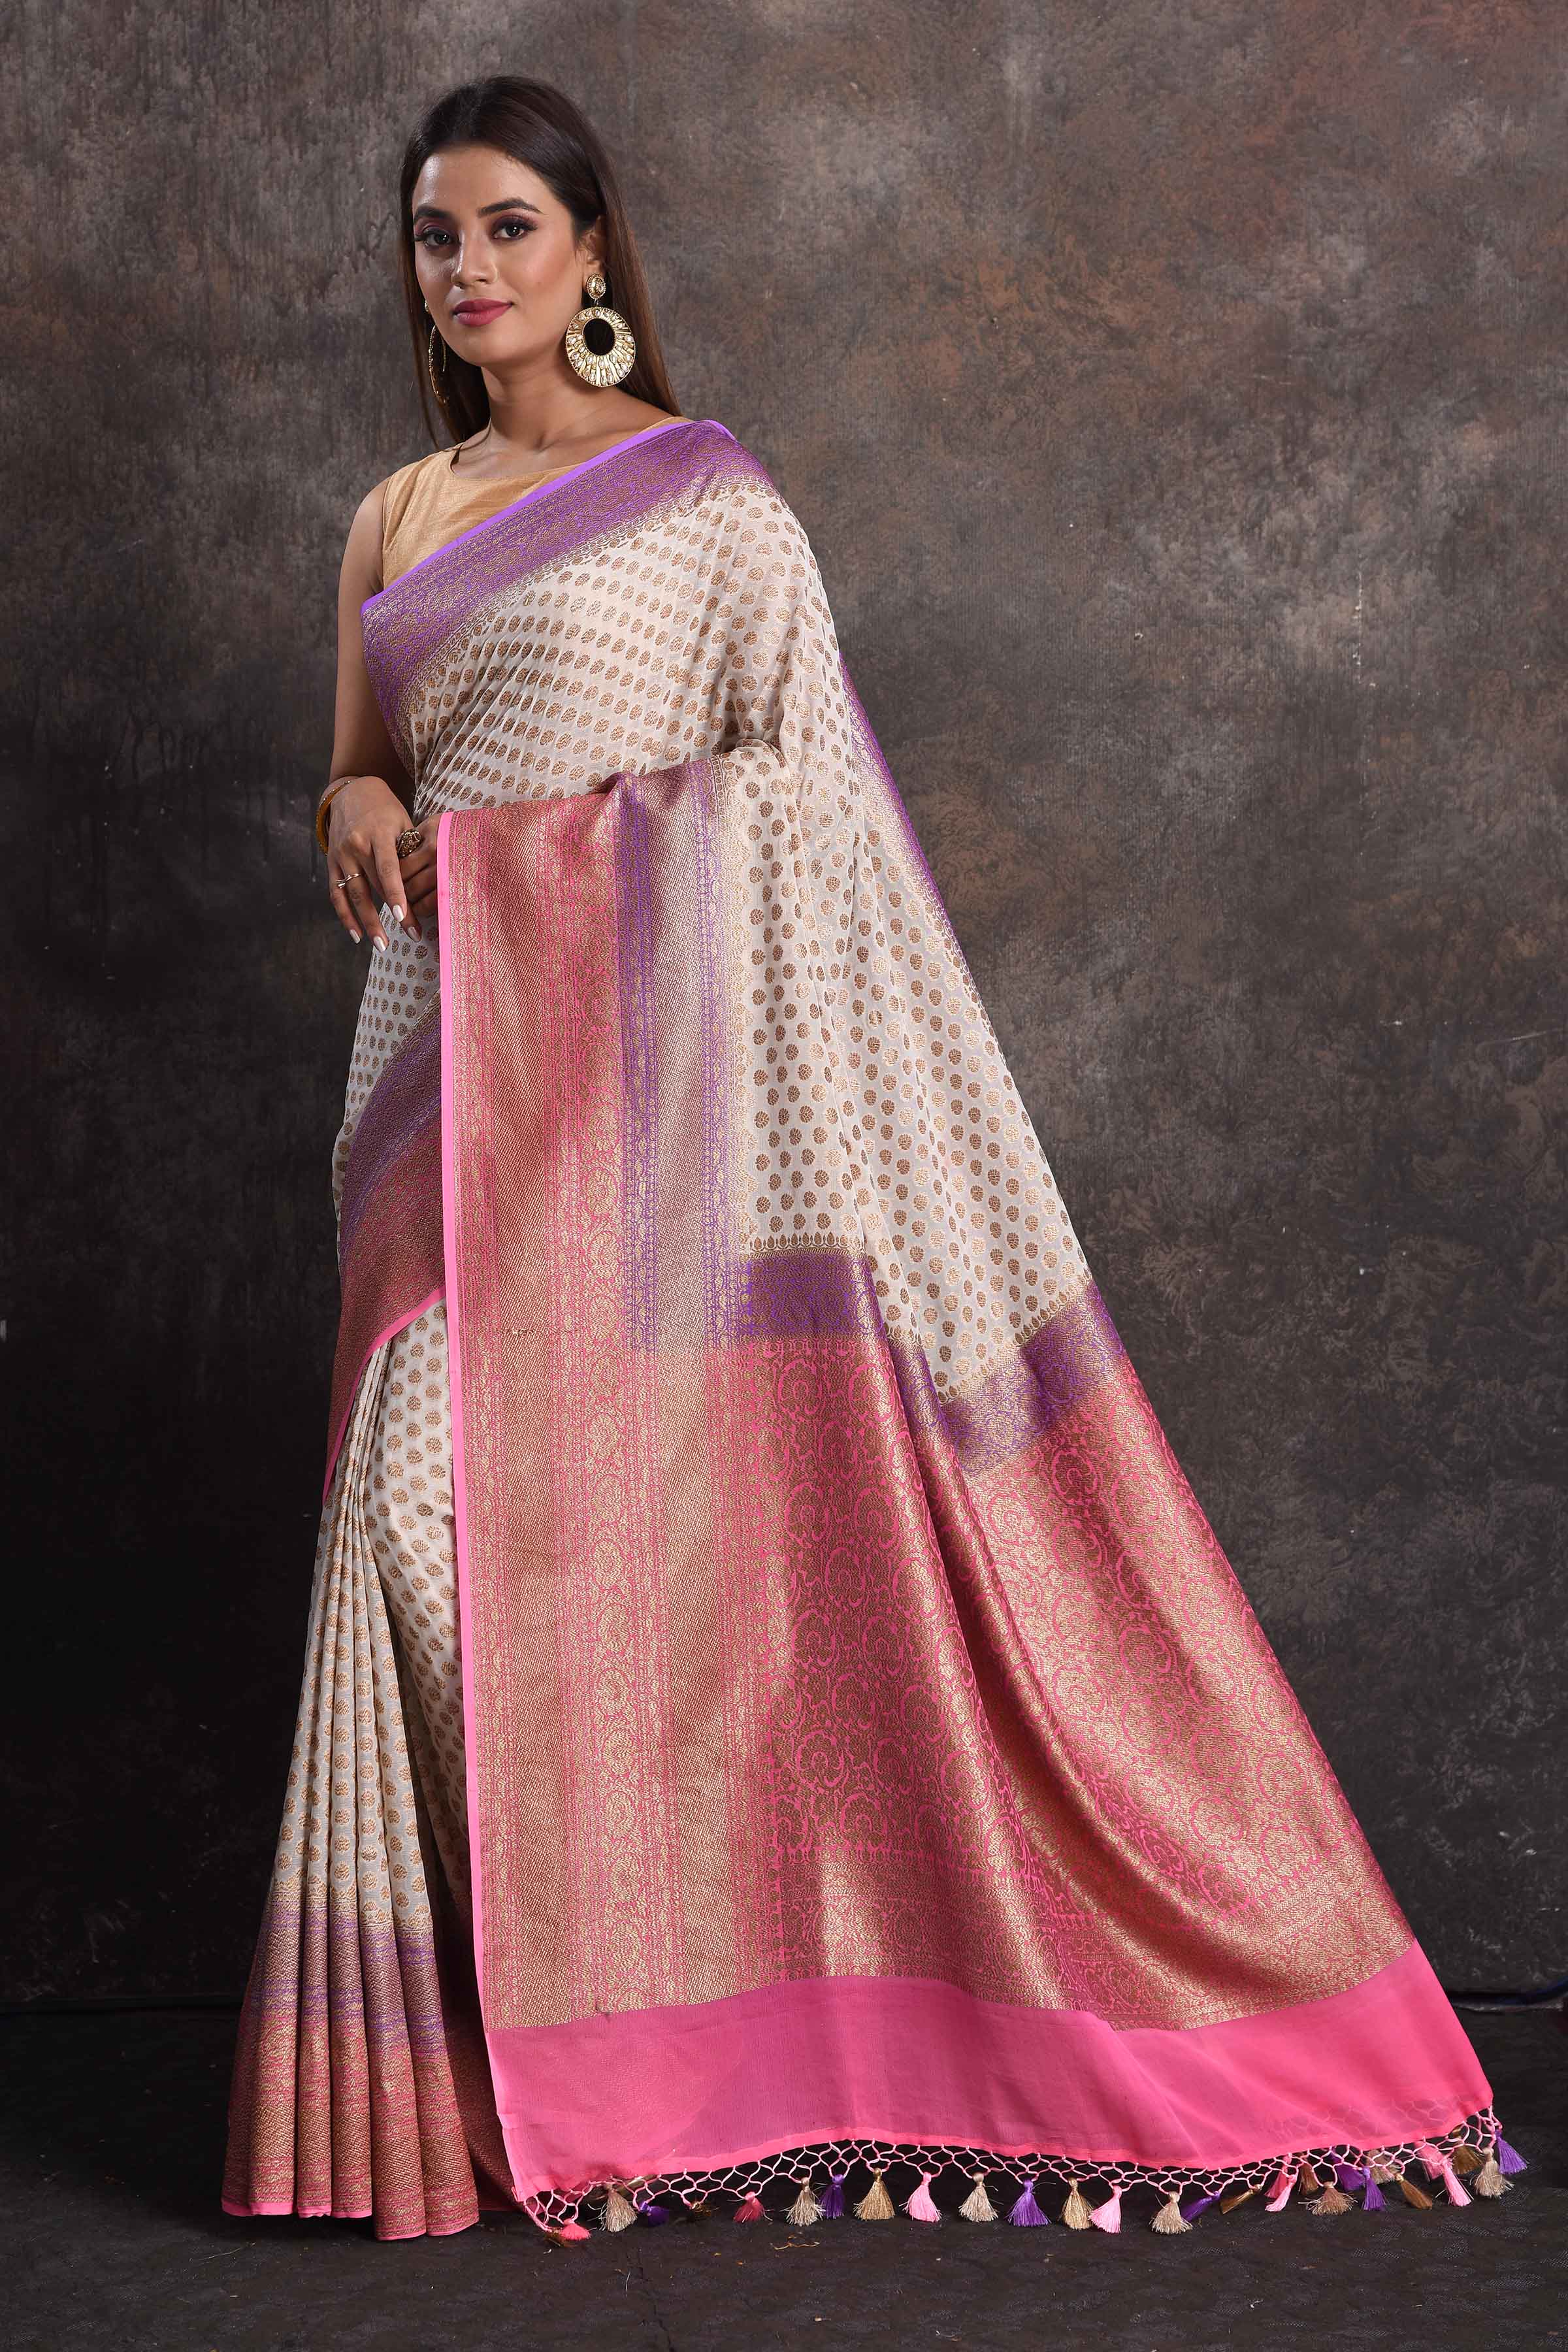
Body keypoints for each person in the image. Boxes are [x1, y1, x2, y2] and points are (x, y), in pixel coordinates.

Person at [222, 73, 1518, 2246]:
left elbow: (807, 804)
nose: (469, 271)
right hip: (447, 1103)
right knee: (415, 1511)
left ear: (594, 252)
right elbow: (373, 777)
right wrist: (351, 805)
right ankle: (531, 2031)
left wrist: (531, 865)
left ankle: (708, 2050)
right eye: (438, 235)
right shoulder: (395, 515)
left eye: (512, 227)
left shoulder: (707, 501)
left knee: (691, 1584)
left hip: (664, 1135)